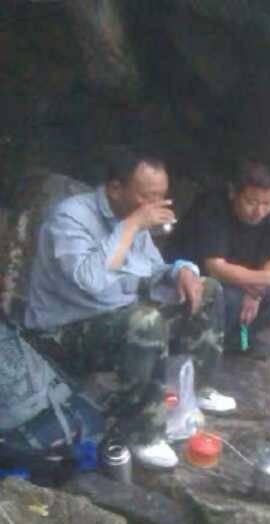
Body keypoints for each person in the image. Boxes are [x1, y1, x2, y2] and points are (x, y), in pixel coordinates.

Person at [23, 148, 234, 469]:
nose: (156, 205)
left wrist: (179, 270)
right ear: (115, 188)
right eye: (148, 196)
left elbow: (150, 270)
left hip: (116, 312)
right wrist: (132, 225)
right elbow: (91, 280)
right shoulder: (69, 218)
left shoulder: (131, 217)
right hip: (62, 331)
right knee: (145, 321)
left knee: (207, 289)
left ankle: (193, 390)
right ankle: (141, 431)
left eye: (161, 196)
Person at [166, 161, 270, 355]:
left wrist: (257, 291)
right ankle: (198, 344)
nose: (259, 212)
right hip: (198, 277)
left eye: (267, 204)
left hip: (247, 278)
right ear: (233, 192)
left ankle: (237, 342)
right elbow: (216, 267)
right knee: (230, 299)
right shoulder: (213, 207)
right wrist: (269, 279)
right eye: (251, 202)